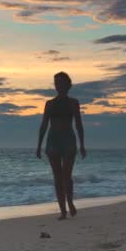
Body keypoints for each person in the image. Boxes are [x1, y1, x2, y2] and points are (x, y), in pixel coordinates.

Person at [36, 72, 86, 220]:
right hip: (53, 141)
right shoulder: (50, 104)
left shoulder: (73, 103)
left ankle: (70, 201)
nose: (58, 85)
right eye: (56, 82)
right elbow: (44, 124)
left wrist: (82, 145)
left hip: (69, 141)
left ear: (68, 85)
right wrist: (39, 146)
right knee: (57, 178)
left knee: (66, 176)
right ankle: (62, 210)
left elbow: (78, 124)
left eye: (61, 82)